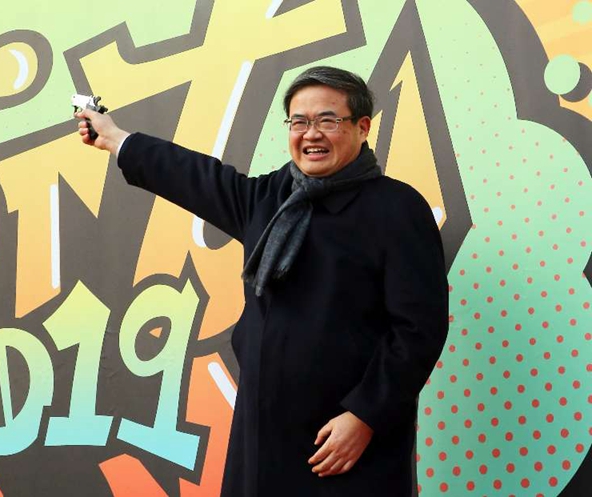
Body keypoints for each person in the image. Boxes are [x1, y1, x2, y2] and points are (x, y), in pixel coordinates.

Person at [76, 66, 448, 497]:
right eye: (299, 122)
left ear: (362, 127)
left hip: (344, 441)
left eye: (328, 120)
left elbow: (418, 330)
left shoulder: (397, 208)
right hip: (263, 437)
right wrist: (116, 138)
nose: (311, 134)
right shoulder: (270, 200)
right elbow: (194, 176)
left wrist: (364, 417)